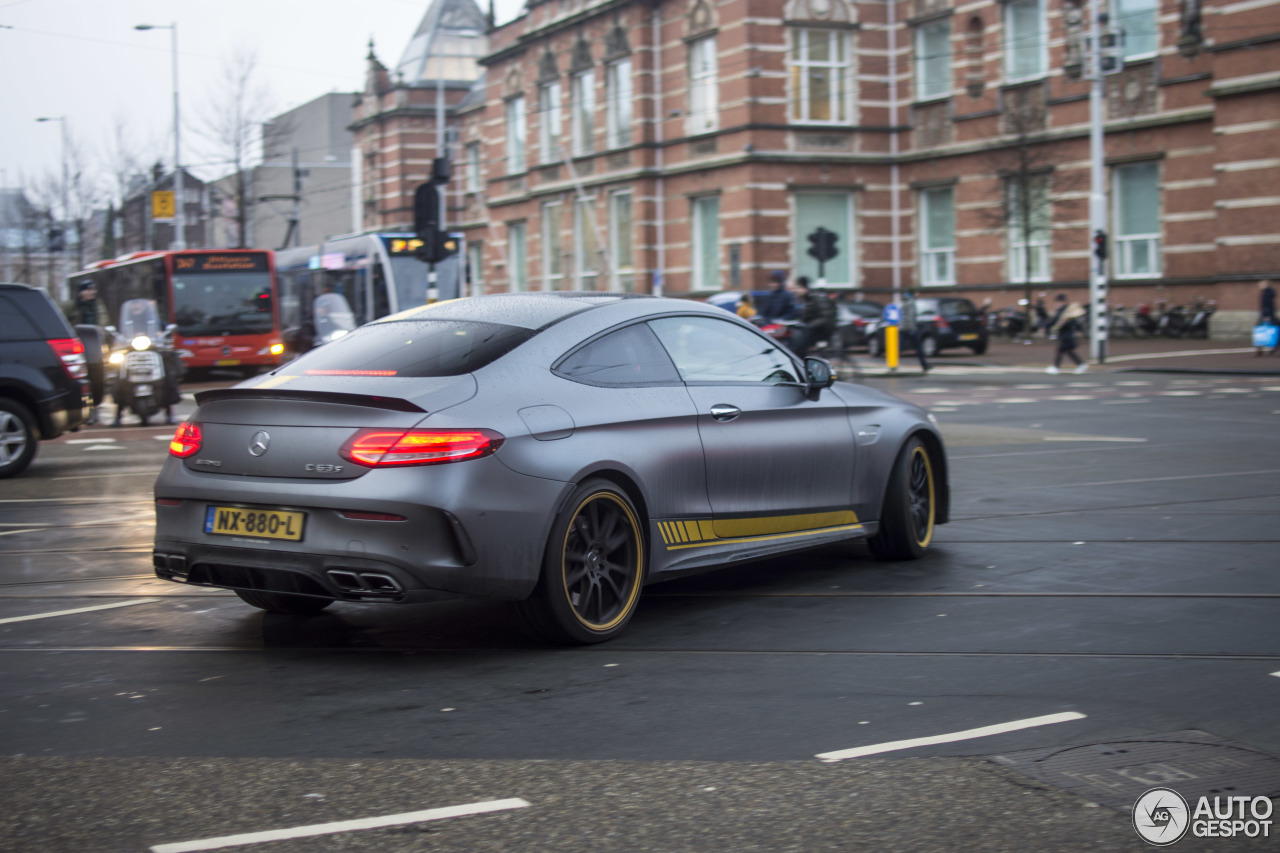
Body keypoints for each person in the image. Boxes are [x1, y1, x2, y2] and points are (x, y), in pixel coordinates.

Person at [788, 277, 836, 359]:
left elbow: (826, 318)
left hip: (822, 331)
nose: (794, 291)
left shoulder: (816, 298)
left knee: (798, 345)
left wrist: (808, 325)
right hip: (813, 329)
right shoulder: (806, 299)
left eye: (796, 288)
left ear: (803, 288)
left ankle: (801, 363)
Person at [1046, 299, 1088, 374]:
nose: (1056, 304)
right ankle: (1081, 364)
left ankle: (1056, 367)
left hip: (1067, 335)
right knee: (1068, 351)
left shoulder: (1065, 312)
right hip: (1067, 335)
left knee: (1061, 351)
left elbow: (1058, 321)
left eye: (1058, 302)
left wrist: (1049, 326)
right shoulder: (1065, 311)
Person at [900, 290, 930, 372]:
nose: (918, 294)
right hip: (910, 328)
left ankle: (893, 365)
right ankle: (924, 365)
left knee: (900, 348)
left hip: (902, 328)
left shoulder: (904, 302)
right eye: (916, 292)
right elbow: (910, 317)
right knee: (918, 348)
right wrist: (912, 329)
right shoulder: (911, 303)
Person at [1258, 280, 1277, 356]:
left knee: (1264, 332)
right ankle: (1263, 349)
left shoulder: (1267, 293)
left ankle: (1262, 349)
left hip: (1267, 315)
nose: (1259, 286)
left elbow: (1267, 305)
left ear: (1265, 285)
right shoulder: (1266, 292)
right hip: (1267, 315)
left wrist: (1266, 316)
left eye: (1260, 285)